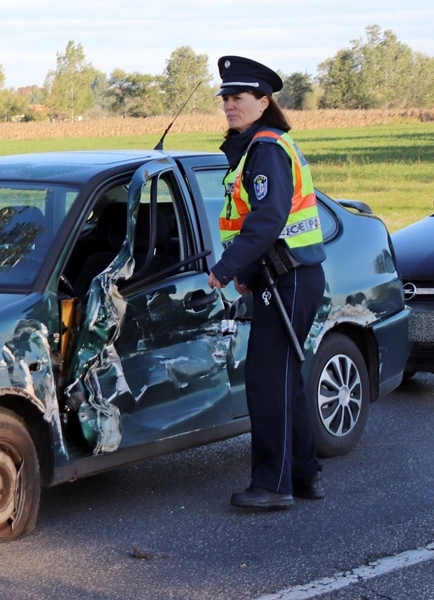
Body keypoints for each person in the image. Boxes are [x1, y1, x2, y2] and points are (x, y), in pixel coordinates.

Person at [207, 56, 327, 509]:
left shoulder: (267, 150)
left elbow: (268, 219)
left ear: (263, 101)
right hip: (286, 277)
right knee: (284, 380)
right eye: (225, 99)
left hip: (289, 278)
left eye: (238, 98)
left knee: (266, 381)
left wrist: (225, 269)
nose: (229, 106)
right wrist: (250, 273)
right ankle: (304, 474)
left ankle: (274, 486)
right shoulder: (262, 146)